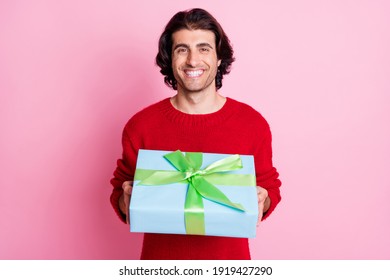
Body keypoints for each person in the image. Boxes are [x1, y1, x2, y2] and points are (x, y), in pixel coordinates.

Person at [110, 8, 281, 260]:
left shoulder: (251, 123)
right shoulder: (141, 125)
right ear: (170, 58)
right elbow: (119, 193)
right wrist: (127, 198)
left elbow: (270, 187)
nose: (192, 60)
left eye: (204, 48)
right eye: (182, 49)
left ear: (219, 57)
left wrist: (262, 199)